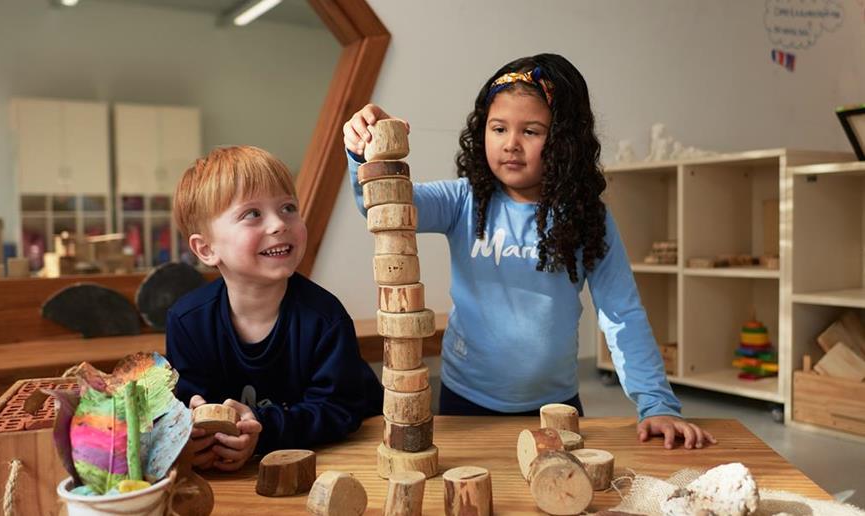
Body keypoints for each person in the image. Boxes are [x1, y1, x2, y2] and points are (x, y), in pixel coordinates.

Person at [343, 54, 715, 449]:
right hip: (465, 402)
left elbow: (622, 313)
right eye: (498, 128)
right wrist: (366, 153)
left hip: (555, 407)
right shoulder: (464, 200)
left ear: (564, 140)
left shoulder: (587, 217)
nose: (511, 145)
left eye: (532, 131)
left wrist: (657, 404)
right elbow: (382, 206)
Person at [167, 145, 383, 471]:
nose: (279, 224)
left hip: (345, 458)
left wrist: (261, 430)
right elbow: (184, 402)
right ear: (207, 249)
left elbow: (339, 409)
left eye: (288, 208)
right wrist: (194, 433)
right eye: (252, 214)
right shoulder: (187, 322)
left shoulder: (325, 317)